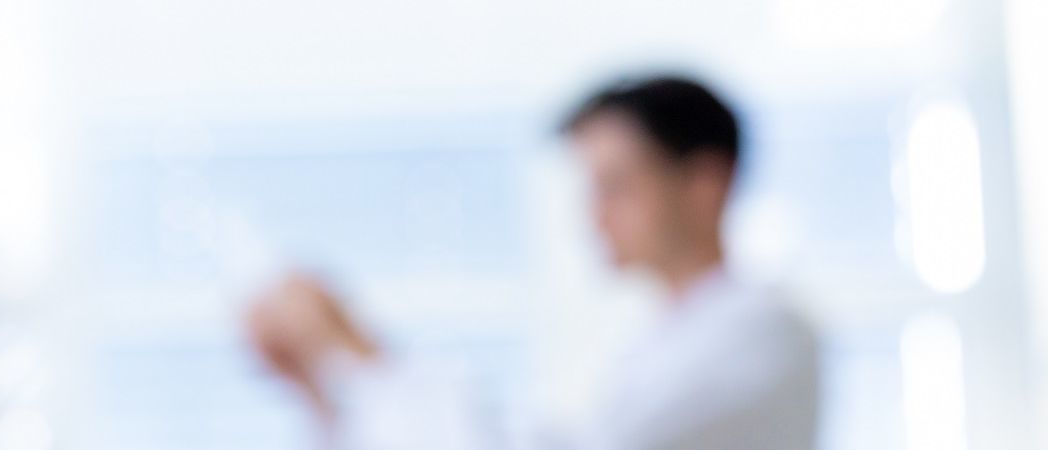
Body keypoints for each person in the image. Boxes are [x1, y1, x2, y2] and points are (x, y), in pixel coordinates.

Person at [246, 76, 821, 450]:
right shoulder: (667, 337)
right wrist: (323, 386)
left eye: (616, 186)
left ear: (704, 183)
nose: (593, 217)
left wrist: (360, 353)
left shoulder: (760, 335)